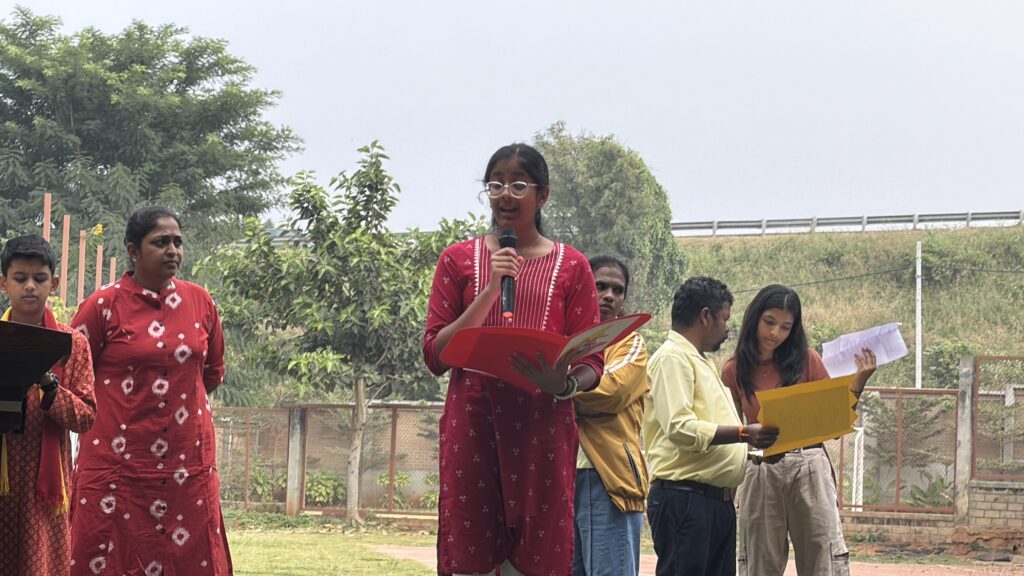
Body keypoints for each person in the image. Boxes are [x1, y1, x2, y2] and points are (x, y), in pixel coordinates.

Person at [423, 143, 604, 576]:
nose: (505, 194)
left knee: (539, 558)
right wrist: (490, 289)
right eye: (496, 184)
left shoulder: (573, 266)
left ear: (543, 195)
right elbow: (435, 354)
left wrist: (564, 384)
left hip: (542, 433)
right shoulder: (457, 260)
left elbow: (593, 362)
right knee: (470, 558)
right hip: (474, 429)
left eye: (519, 184)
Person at [69, 207, 233, 575]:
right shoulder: (102, 306)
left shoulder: (200, 302)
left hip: (186, 469)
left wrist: (176, 405)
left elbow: (212, 373)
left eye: (177, 242)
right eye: (160, 242)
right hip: (117, 469)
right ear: (133, 251)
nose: (172, 250)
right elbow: (72, 373)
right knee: (104, 556)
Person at [721, 284, 877, 576]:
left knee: (823, 558)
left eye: (785, 327)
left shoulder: (807, 360)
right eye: (769, 322)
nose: (775, 333)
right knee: (759, 562)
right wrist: (728, 493)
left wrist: (859, 381)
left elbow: (832, 423)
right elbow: (736, 432)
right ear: (754, 317)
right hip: (761, 468)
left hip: (809, 465)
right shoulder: (734, 370)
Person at [643, 276, 778, 576]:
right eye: (724, 319)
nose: (727, 329)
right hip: (686, 500)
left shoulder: (700, 361)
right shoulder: (672, 358)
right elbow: (680, 428)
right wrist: (744, 434)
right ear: (705, 316)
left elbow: (710, 432)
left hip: (714, 502)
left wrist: (751, 452)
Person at [0, 235, 96, 576]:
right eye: (20, 277)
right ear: (3, 283)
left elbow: (86, 417)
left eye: (39, 278)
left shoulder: (72, 345)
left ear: (53, 284)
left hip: (43, 493)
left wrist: (46, 381)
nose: (30, 286)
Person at [572, 255, 649, 576]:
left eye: (617, 290)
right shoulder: (566, 339)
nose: (609, 296)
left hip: (607, 478)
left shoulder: (630, 343)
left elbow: (612, 390)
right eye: (600, 286)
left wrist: (557, 389)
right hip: (560, 478)